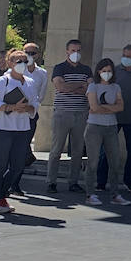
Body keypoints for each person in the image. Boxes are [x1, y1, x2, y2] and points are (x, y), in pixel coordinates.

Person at [0, 50, 41, 216]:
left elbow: (35, 103)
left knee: (17, 166)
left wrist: (28, 108)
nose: (22, 64)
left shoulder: (30, 82)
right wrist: (11, 107)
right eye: (18, 61)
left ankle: (1, 196)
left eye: (25, 61)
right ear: (10, 63)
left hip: (22, 129)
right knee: (0, 165)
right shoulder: (3, 80)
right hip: (1, 129)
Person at [97, 44, 131, 195]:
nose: (126, 58)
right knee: (106, 150)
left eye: (129, 56)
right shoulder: (114, 72)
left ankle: (129, 181)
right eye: (124, 55)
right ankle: (101, 182)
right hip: (112, 117)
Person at [46, 38, 91, 194]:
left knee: (78, 150)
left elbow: (89, 90)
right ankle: (51, 182)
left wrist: (73, 87)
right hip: (62, 113)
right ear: (67, 51)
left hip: (81, 113)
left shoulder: (86, 69)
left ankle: (73, 182)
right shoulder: (59, 68)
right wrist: (80, 85)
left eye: (78, 50)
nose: (76, 53)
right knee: (56, 149)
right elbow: (60, 87)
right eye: (73, 50)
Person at [84, 59, 130, 208]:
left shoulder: (116, 87)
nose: (106, 74)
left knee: (115, 162)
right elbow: (93, 107)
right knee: (93, 162)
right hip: (94, 127)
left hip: (111, 127)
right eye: (104, 71)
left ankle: (115, 194)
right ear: (98, 72)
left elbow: (121, 107)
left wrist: (103, 107)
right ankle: (90, 193)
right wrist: (111, 107)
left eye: (109, 71)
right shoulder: (93, 86)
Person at [7, 42, 47, 196]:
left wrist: (29, 106)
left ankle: (14, 184)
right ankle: (6, 183)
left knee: (21, 151)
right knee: (10, 150)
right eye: (26, 52)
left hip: (29, 115)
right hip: (11, 115)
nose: (29, 56)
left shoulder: (42, 74)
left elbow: (40, 96)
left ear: (38, 55)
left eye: (32, 53)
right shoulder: (13, 71)